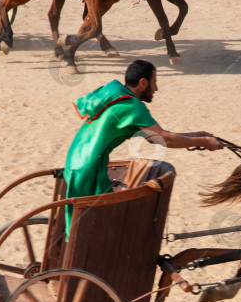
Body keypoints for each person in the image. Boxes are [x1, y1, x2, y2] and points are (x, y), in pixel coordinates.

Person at [63, 59, 223, 234]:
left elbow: (155, 137)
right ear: (143, 82)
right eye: (154, 83)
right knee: (90, 228)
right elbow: (164, 139)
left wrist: (197, 136)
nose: (156, 89)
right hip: (89, 167)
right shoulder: (133, 106)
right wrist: (204, 143)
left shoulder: (116, 94)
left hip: (77, 161)